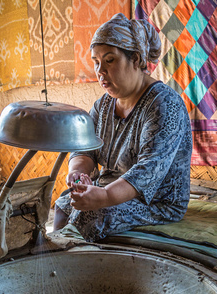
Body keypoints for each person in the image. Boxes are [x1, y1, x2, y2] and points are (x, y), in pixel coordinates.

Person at [54, 13, 192, 242]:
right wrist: (78, 175)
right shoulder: (104, 105)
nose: (100, 71)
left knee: (89, 216)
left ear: (136, 59)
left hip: (156, 202)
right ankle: (56, 262)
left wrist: (105, 196)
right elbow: (84, 149)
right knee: (62, 204)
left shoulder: (163, 104)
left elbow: (148, 171)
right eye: (96, 62)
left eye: (110, 60)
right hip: (110, 188)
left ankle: (74, 269)